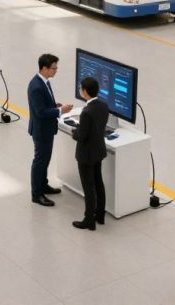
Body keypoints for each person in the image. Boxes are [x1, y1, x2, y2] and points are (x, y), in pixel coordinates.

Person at [27, 53, 73, 207]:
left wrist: (57, 106)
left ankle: (43, 185)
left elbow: (46, 105)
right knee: (40, 161)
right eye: (54, 68)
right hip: (41, 131)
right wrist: (61, 111)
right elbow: (40, 112)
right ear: (44, 68)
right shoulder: (36, 87)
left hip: (47, 129)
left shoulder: (44, 82)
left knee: (45, 160)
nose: (56, 70)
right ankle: (36, 193)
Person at [71, 76, 108, 232]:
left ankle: (89, 221)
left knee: (88, 187)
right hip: (99, 150)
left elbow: (82, 135)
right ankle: (100, 215)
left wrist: (75, 131)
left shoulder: (86, 112)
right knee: (98, 183)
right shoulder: (103, 106)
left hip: (86, 155)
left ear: (85, 92)